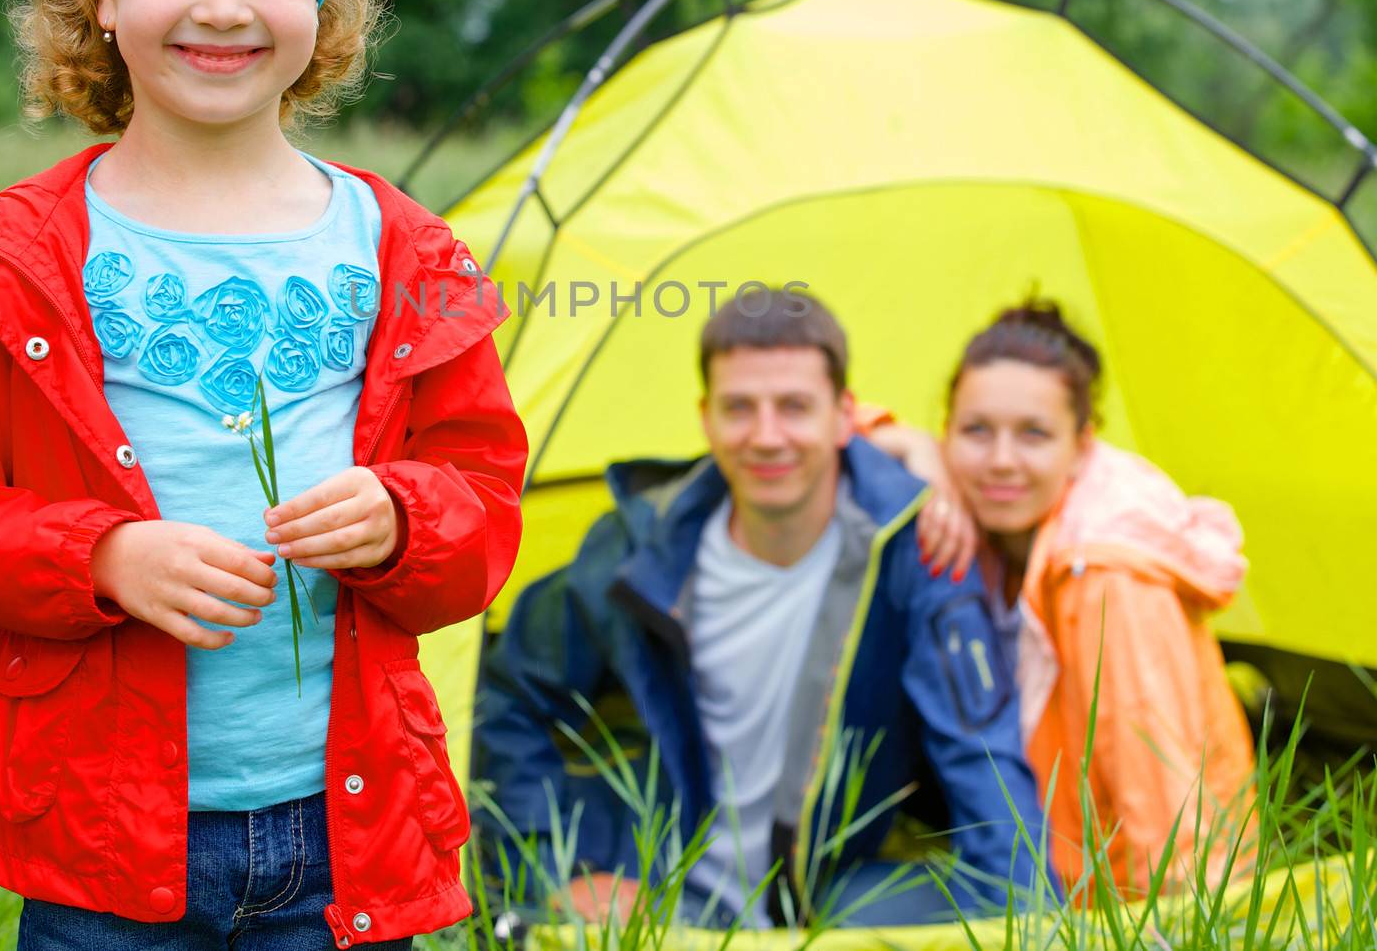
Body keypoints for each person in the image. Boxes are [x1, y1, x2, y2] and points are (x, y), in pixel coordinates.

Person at [0, 0, 527, 951]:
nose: (222, 4)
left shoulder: (402, 249)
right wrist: (101, 555)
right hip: (101, 843)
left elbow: (483, 500)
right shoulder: (20, 254)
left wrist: (401, 517)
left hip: (344, 837)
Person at [475, 289, 1049, 930]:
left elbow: (983, 757)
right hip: (660, 893)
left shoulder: (916, 548)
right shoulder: (640, 550)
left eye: (795, 408)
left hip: (832, 893)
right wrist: (560, 870)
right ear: (706, 417)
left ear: (845, 417)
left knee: (965, 913)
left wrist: (1032, 922)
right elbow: (506, 694)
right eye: (739, 409)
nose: (767, 437)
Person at [937, 300, 1255, 895]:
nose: (1001, 461)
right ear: (945, 434)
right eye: (977, 430)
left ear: (1082, 445)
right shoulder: (1008, 532)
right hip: (1063, 867)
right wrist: (910, 449)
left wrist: (1172, 929)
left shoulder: (1107, 575)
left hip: (1119, 903)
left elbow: (1159, 798)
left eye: (1033, 434)